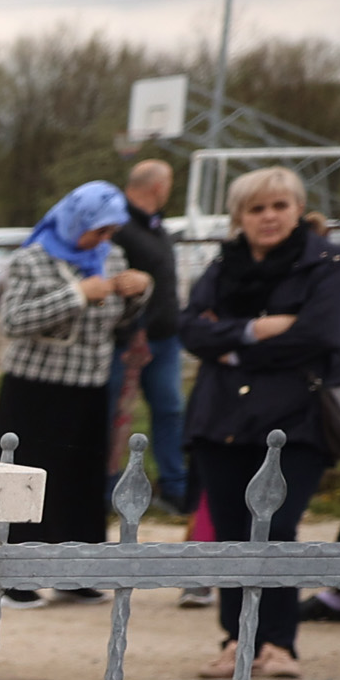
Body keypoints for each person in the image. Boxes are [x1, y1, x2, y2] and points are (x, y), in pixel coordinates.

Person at [176, 166, 340, 678]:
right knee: (232, 531)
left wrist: (231, 345)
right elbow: (190, 330)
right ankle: (238, 640)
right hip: (222, 417)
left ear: (298, 209)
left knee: (276, 526)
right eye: (256, 209)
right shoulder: (221, 265)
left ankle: (279, 643)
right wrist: (257, 330)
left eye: (279, 206)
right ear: (239, 218)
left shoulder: (329, 262)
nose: (269, 217)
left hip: (294, 417)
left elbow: (321, 335)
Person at [0, 181, 151, 568]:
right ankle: (18, 572)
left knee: (80, 482)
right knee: (28, 481)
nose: (104, 238)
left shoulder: (111, 257)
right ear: (75, 220)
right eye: (99, 229)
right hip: (34, 390)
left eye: (111, 231)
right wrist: (76, 295)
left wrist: (138, 294)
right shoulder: (32, 259)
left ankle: (79, 571)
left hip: (89, 388)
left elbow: (119, 324)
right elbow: (12, 321)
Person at [117, 156, 187, 519]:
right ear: (159, 187)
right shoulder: (118, 224)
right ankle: (110, 488)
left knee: (171, 411)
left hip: (165, 339)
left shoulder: (155, 226)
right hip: (128, 342)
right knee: (117, 415)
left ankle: (176, 488)